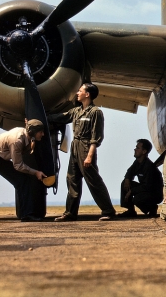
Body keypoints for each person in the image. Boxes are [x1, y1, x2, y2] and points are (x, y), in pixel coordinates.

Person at [49, 83, 116, 222]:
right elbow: (60, 117)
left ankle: (108, 210)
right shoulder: (76, 111)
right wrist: (41, 116)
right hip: (75, 146)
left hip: (86, 147)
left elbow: (96, 137)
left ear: (87, 94)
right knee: (72, 180)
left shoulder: (95, 112)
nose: (77, 93)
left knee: (93, 180)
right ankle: (70, 213)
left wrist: (89, 156)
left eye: (80, 91)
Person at [119, 139, 163, 217]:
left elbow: (148, 186)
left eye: (138, 148)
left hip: (154, 193)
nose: (135, 149)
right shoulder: (138, 162)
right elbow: (130, 171)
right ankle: (130, 210)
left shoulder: (149, 166)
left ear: (144, 151)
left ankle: (152, 207)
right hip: (145, 189)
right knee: (124, 183)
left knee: (137, 199)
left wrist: (132, 191)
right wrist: (127, 178)